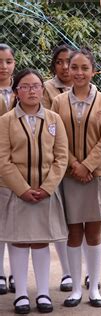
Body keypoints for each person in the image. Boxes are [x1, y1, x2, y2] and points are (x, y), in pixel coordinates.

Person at [51, 48, 101, 308]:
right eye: (73, 67)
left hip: (95, 174)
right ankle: (75, 289)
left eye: (83, 68)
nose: (77, 72)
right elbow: (55, 137)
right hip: (69, 175)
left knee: (93, 230)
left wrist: (88, 165)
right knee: (73, 232)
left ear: (93, 71)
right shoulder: (58, 102)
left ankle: (94, 289)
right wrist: (74, 165)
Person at [0, 68, 69, 314]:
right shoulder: (6, 121)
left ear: (43, 89)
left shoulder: (53, 119)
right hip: (16, 192)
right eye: (26, 86)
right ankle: (20, 295)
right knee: (19, 241)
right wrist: (22, 189)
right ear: (17, 92)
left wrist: (47, 187)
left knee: (41, 241)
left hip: (45, 192)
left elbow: (61, 157)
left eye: (36, 86)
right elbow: (3, 159)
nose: (32, 90)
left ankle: (42, 293)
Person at [41, 44, 75, 293]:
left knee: (81, 221)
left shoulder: (88, 90)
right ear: (54, 65)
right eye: (60, 62)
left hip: (83, 167)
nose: (65, 67)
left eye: (70, 63)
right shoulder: (45, 88)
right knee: (61, 220)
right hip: (56, 162)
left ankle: (83, 272)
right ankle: (67, 272)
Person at [0, 43, 16, 295]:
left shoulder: (26, 88)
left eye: (8, 61)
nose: (3, 67)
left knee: (17, 221)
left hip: (20, 167)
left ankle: (17, 274)